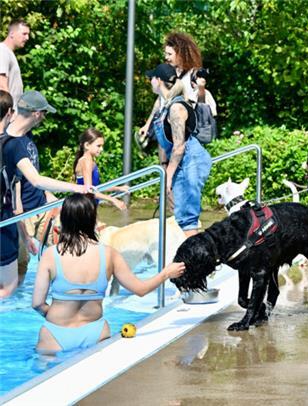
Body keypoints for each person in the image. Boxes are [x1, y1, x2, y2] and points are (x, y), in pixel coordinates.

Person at [31, 194, 185, 354]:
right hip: (96, 332)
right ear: (93, 219)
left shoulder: (50, 254)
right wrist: (166, 273)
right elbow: (140, 289)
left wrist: (59, 315)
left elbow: (37, 303)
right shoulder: (109, 254)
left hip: (54, 334)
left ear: (64, 221)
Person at [1, 91, 92, 298]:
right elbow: (31, 181)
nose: (44, 117)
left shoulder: (26, 137)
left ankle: (74, 296)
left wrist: (53, 200)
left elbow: (35, 179)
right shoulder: (10, 143)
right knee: (14, 280)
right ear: (35, 113)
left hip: (39, 211)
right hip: (25, 216)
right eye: (43, 113)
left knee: (22, 276)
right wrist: (77, 188)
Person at [145, 63, 212, 238]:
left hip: (191, 162)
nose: (149, 81)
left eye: (151, 78)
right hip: (179, 163)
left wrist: (167, 175)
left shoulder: (176, 108)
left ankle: (194, 260)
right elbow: (165, 143)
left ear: (158, 80)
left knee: (186, 217)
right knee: (178, 214)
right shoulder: (164, 106)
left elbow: (179, 147)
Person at [138, 32, 215, 147]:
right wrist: (148, 125)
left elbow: (201, 103)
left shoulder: (192, 75)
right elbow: (160, 100)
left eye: (169, 54)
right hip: (168, 130)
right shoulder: (168, 73)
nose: (166, 57)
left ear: (180, 54)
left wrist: (201, 88)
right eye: (165, 54)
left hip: (185, 131)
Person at [74, 128, 129, 210]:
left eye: (102, 146)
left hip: (90, 208)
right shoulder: (86, 161)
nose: (101, 149)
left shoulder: (89, 160)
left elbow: (96, 187)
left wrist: (117, 188)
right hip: (85, 209)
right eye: (98, 146)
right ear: (87, 145)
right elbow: (89, 191)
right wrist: (113, 200)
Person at [0, 20, 29, 108]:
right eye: (24, 34)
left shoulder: (8, 52)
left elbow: (15, 93)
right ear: (12, 34)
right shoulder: (2, 51)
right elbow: (1, 85)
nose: (27, 38)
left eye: (28, 34)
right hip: (7, 114)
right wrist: (9, 110)